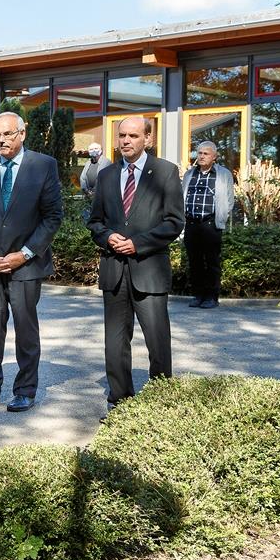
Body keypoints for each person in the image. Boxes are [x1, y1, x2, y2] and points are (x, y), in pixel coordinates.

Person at [0, 112, 64, 413]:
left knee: (26, 329)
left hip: (26, 265)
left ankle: (25, 390)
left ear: (21, 134)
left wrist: (24, 254)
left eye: (7, 134)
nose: (1, 140)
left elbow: (52, 216)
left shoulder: (44, 165)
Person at [87, 116, 184, 417]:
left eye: (133, 135)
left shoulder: (165, 172)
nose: (126, 141)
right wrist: (108, 236)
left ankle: (161, 406)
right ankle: (120, 403)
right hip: (114, 270)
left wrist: (138, 243)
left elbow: (174, 221)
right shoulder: (106, 175)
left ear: (148, 139)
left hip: (149, 270)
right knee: (115, 344)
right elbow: (94, 222)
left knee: (157, 342)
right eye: (121, 135)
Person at [181, 140, 235, 309]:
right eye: (200, 153)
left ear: (214, 157)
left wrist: (222, 217)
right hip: (191, 223)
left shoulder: (223, 174)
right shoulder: (190, 174)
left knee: (212, 262)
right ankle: (198, 295)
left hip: (211, 224)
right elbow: (183, 195)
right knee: (194, 261)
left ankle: (212, 297)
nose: (202, 156)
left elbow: (229, 200)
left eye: (206, 154)